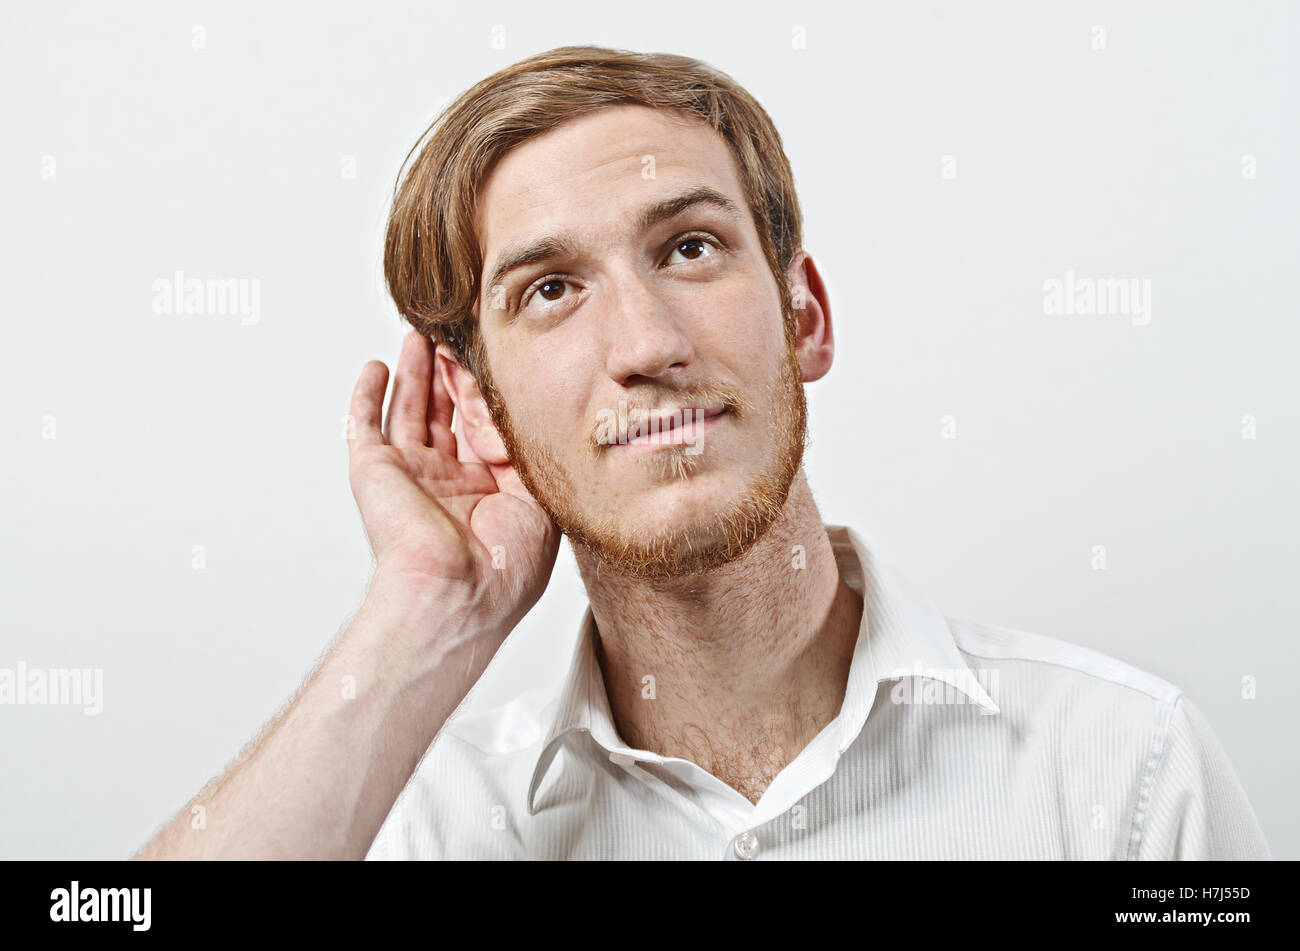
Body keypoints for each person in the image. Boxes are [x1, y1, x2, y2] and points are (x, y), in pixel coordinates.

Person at [135, 45, 1270, 861]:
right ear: (477, 407)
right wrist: (429, 611)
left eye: (688, 247)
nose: (646, 345)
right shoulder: (425, 826)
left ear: (805, 315)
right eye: (550, 290)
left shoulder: (1122, 768)